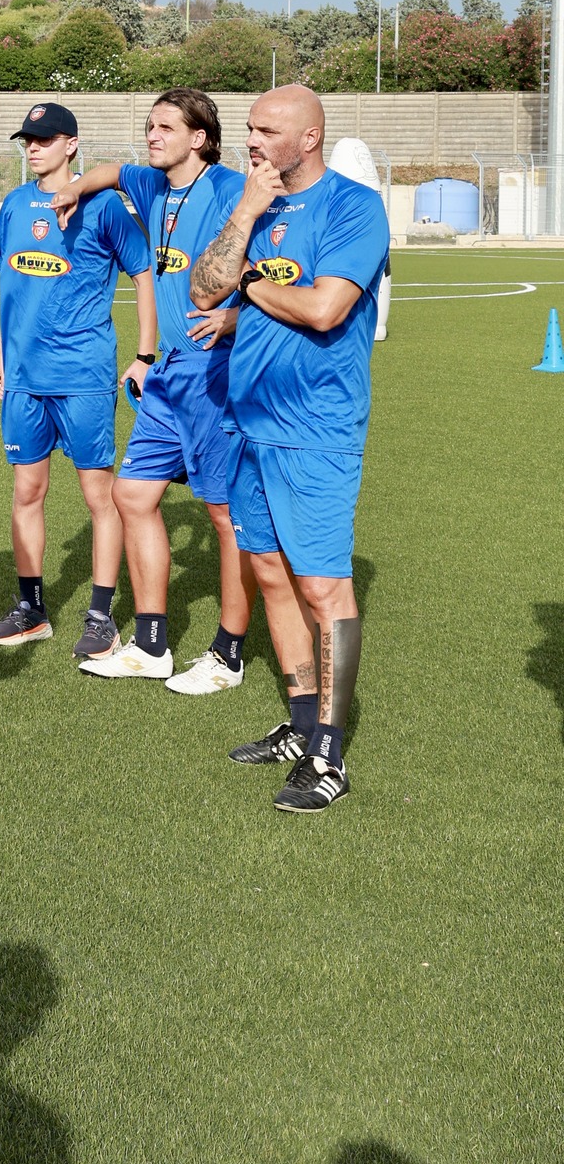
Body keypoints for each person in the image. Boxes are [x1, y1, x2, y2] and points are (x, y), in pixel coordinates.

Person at [189, 84, 389, 813]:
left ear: (308, 138)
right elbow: (204, 290)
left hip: (316, 428)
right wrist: (243, 213)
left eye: (266, 129)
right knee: (269, 573)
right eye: (248, 127)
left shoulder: (353, 208)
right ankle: (301, 725)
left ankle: (329, 758)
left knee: (321, 586)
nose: (251, 139)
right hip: (248, 421)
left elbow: (324, 306)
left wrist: (248, 283)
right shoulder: (247, 204)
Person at [50, 88, 256, 690]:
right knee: (133, 496)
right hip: (166, 375)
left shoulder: (231, 190)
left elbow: (276, 267)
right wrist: (76, 187)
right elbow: (113, 170)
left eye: (165, 127)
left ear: (199, 138)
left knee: (224, 514)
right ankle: (150, 644)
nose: (152, 135)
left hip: (216, 375)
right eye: (149, 126)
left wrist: (235, 317)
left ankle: (228, 653)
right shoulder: (150, 186)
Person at [0, 102, 157, 660]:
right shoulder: (12, 206)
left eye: (44, 139)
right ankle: (31, 610)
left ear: (71, 145)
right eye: (26, 139)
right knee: (26, 491)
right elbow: (10, 289)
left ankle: (101, 615)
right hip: (25, 380)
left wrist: (145, 353)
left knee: (97, 497)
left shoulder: (103, 206)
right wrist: (2, 356)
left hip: (82, 376)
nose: (32, 147)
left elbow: (143, 273)